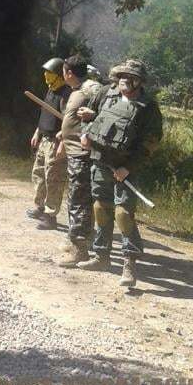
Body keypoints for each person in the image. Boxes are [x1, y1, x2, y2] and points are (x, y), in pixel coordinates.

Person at [76, 59, 163, 287]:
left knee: (123, 214)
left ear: (138, 82)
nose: (124, 79)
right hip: (101, 162)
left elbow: (150, 143)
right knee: (100, 208)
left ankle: (129, 264)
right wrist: (85, 136)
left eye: (129, 76)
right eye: (121, 75)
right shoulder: (105, 94)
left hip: (126, 169)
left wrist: (128, 168)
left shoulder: (148, 107)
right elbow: (89, 118)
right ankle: (101, 257)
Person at [56, 55, 102, 266]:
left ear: (69, 73)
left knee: (80, 202)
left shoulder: (90, 89)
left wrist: (93, 117)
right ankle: (74, 241)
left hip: (84, 156)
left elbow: (105, 114)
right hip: (75, 153)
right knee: (75, 200)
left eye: (63, 71)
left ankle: (79, 251)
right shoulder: (79, 90)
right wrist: (63, 136)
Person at [27, 57, 70, 230]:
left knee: (53, 178)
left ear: (59, 75)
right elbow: (46, 114)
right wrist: (38, 132)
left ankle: (50, 216)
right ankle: (39, 207)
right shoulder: (51, 90)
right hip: (44, 139)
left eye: (50, 72)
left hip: (56, 142)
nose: (46, 75)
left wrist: (63, 143)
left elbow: (69, 122)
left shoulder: (66, 94)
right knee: (38, 174)